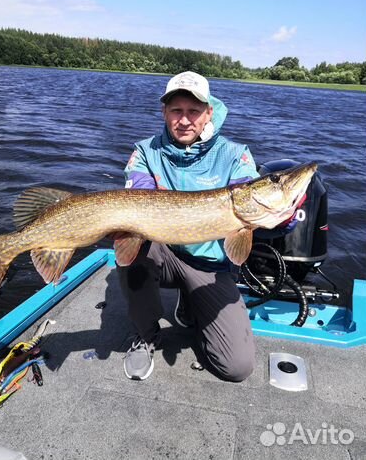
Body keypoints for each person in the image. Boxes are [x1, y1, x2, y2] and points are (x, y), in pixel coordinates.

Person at [117, 71, 297, 382]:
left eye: (193, 111)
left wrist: (284, 217)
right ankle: (146, 335)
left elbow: (249, 197)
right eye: (176, 111)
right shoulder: (146, 152)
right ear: (164, 112)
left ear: (208, 113)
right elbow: (138, 198)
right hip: (165, 253)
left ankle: (192, 304)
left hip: (210, 269)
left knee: (237, 367)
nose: (184, 120)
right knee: (131, 249)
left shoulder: (234, 154)